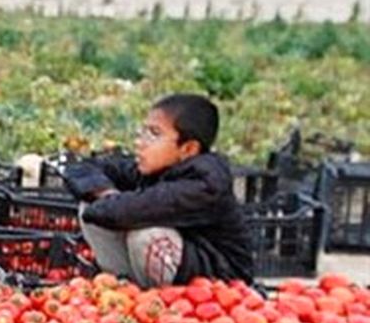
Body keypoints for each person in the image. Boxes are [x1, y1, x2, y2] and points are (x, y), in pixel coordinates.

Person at [63, 93, 254, 286]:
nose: (140, 142)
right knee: (91, 205)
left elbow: (130, 212)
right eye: (143, 132)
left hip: (218, 283)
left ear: (188, 149)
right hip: (180, 268)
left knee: (147, 236)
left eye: (154, 134)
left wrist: (109, 201)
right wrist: (105, 194)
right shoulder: (154, 168)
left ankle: (156, 303)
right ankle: (125, 289)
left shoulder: (205, 184)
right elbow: (82, 168)